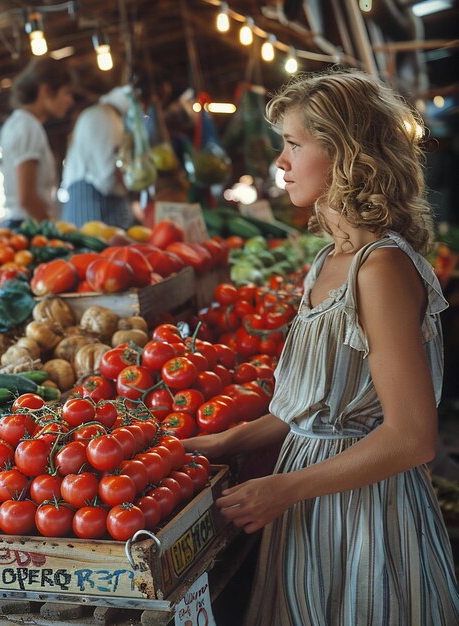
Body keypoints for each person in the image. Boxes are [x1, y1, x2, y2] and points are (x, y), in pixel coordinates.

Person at [184, 68, 459, 625]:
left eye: (292, 145)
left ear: (346, 154)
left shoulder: (380, 269)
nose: (280, 163)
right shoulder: (325, 264)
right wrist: (223, 441)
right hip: (311, 509)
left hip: (366, 515)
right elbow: (310, 413)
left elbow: (411, 438)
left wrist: (285, 488)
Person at [0, 58, 74, 226]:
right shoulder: (28, 127)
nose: (70, 101)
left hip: (23, 224)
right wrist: (54, 230)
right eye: (66, 93)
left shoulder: (17, 123)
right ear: (46, 91)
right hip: (29, 227)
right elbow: (26, 198)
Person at [61, 85, 133, 229]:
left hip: (89, 199)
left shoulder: (106, 117)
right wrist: (130, 187)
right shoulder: (104, 117)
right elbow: (107, 175)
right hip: (92, 202)